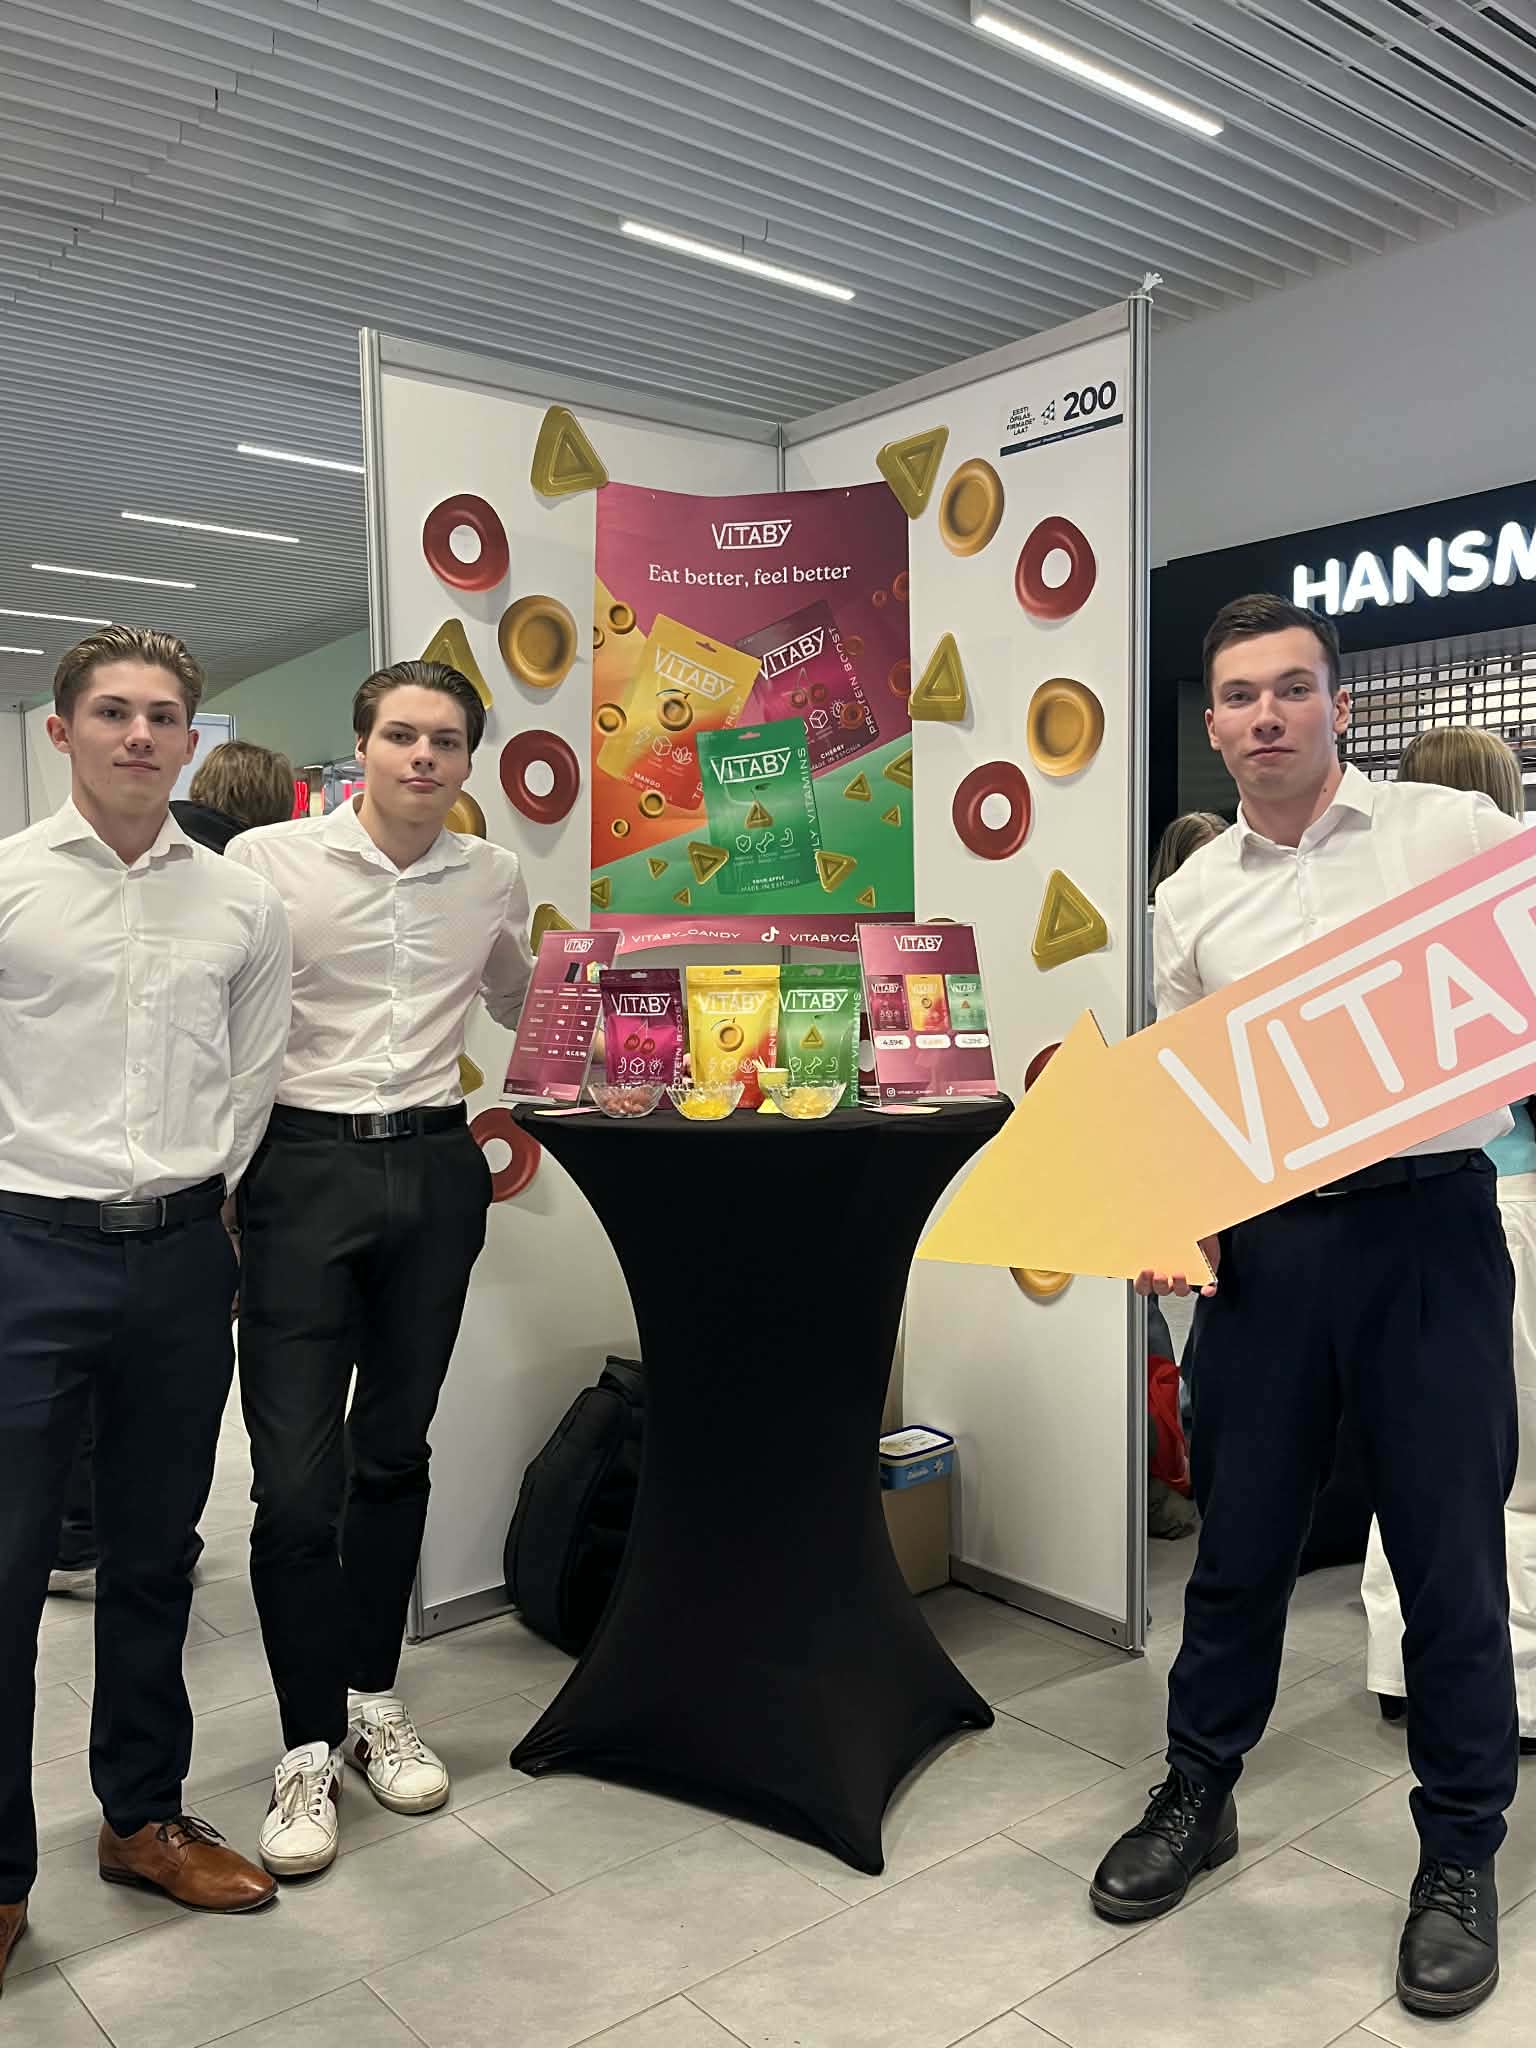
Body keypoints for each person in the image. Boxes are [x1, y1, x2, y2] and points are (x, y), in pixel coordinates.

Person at [1089, 594, 1521, 2023]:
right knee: (1241, 1539)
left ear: (1339, 703)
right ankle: (1197, 1788)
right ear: (1212, 727)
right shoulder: (1192, 897)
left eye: (1289, 687)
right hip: (1270, 1251)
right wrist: (1168, 1214)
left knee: (1449, 1555)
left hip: (1430, 1228)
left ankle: (1458, 1854)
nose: (1264, 714)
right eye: (1238, 695)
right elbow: (1179, 1098)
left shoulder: (1449, 834)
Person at [0, 626, 293, 1992]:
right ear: (62, 730)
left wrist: (194, 1196)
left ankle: (140, 1817)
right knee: (7, 1568)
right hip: (25, 1251)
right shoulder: (9, 884)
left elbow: (253, 1070)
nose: (138, 734)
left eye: (162, 714)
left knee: (156, 1552)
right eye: (112, 711)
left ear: (189, 738)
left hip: (180, 1255)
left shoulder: (238, 902)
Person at [226, 658, 531, 1878]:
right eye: (401, 734)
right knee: (297, 1487)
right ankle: (304, 1745)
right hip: (301, 1167)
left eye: (445, 740)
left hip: (435, 1166)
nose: (422, 756)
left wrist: (612, 1028)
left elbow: (519, 995)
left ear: (467, 760)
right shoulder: (268, 862)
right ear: (360, 745)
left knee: (394, 1451)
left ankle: (371, 1700)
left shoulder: (491, 873)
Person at [49, 737, 298, 1600]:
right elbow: (247, 1065)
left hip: (92, 1192)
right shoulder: (243, 885)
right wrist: (221, 1189)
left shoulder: (224, 888)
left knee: (95, 1385)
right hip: (173, 1186)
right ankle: (112, 1538)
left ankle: (79, 1534)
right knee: (153, 1399)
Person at [1360, 725, 1536, 1759]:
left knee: (1409, 1453)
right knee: (1511, 1463)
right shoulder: (1502, 923)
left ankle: (1398, 1660)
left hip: (1389, 1213)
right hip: (1505, 1197)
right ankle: (1514, 1681)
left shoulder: (1366, 930)